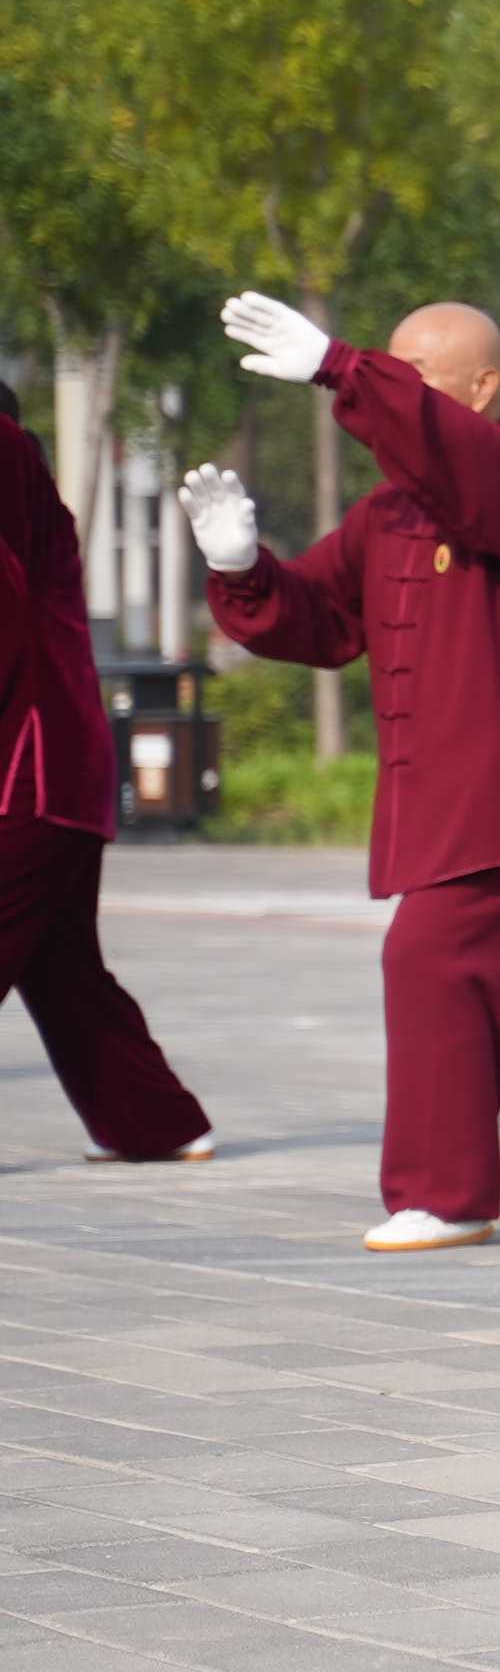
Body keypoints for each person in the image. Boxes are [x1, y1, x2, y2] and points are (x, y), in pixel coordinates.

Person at [184, 297, 500, 1252]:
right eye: (388, 370)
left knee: (433, 960)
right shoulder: (387, 513)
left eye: (417, 378)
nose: (392, 390)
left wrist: (343, 366)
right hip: (436, 795)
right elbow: (319, 620)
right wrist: (240, 566)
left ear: (482, 390)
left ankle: (441, 1194)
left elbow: (468, 472)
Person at [0, 379, 214, 1165]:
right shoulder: (28, 496)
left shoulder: (7, 461)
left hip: (32, 780)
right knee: (65, 973)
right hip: (54, 775)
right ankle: (158, 1123)